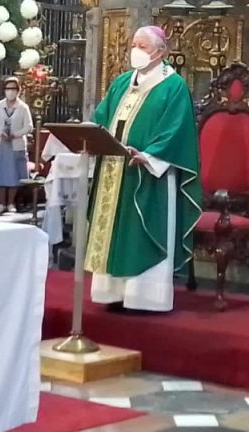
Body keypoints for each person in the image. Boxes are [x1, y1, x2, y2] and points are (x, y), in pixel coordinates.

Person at [84, 25, 201, 312]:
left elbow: (177, 129)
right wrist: (92, 134)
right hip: (113, 168)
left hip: (149, 175)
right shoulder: (122, 82)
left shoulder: (173, 86)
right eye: (133, 45)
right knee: (112, 232)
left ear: (161, 51)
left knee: (142, 231)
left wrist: (150, 155)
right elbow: (103, 116)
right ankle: (112, 293)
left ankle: (144, 297)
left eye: (142, 46)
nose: (135, 51)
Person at [0, 76, 34, 214]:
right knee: (0, 173)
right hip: (0, 144)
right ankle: (1, 202)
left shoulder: (23, 108)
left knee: (14, 173)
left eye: (13, 89)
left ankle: (11, 203)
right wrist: (0, 133)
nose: (10, 92)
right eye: (8, 89)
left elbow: (29, 127)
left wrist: (16, 134)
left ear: (18, 91)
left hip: (15, 144)